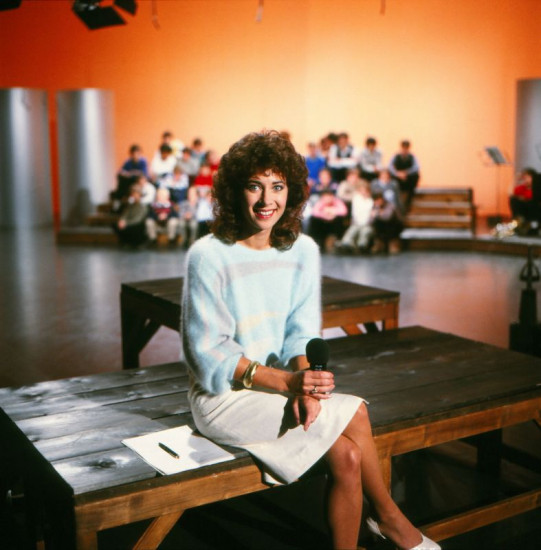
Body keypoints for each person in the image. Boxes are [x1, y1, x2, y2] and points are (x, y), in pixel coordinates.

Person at [181, 130, 440, 550]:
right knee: (356, 414)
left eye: (278, 186)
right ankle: (389, 517)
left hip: (278, 388)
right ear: (233, 191)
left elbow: (301, 335)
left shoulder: (301, 252)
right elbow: (210, 355)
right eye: (254, 186)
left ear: (292, 192)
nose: (267, 199)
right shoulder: (209, 256)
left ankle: (378, 525)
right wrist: (288, 383)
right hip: (222, 398)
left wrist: (307, 387)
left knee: (348, 456)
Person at [337, 181, 374, 254]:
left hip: (367, 224)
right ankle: (346, 244)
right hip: (356, 223)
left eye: (365, 191)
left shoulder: (371, 201)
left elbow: (371, 214)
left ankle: (362, 247)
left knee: (365, 232)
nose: (363, 192)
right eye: (361, 190)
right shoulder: (356, 199)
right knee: (352, 231)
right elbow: (356, 212)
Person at [388, 140, 420, 211]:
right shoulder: (396, 156)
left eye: (406, 148)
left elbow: (416, 167)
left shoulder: (412, 156)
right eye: (403, 147)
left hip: (408, 178)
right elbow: (390, 166)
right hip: (398, 177)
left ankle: (408, 202)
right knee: (391, 177)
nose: (405, 149)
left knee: (416, 175)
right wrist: (397, 173)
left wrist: (406, 173)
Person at [509, 168, 540, 233]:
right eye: (524, 178)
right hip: (524, 210)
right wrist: (515, 179)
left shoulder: (537, 189)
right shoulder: (522, 188)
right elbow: (510, 194)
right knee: (513, 200)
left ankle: (531, 226)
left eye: (528, 177)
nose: (526, 180)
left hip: (535, 209)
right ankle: (520, 222)